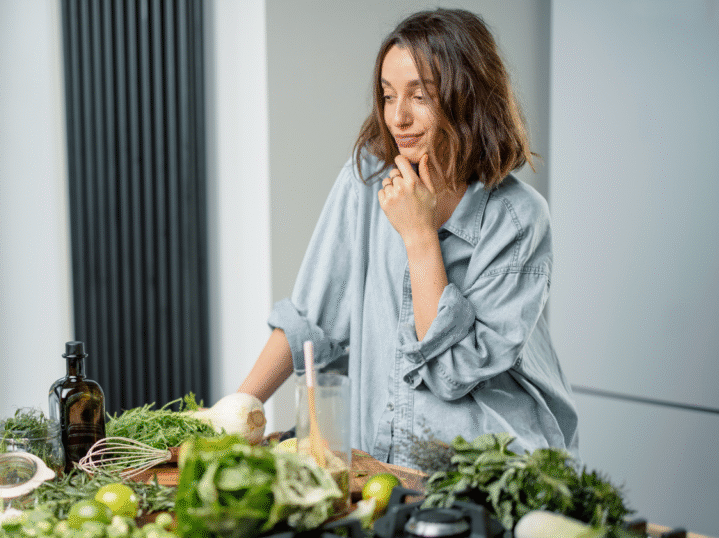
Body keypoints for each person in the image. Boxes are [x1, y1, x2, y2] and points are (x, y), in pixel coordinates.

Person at [237, 8, 578, 468]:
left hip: (486, 467)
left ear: (467, 97)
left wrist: (419, 235)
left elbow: (454, 372)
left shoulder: (518, 218)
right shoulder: (366, 179)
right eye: (387, 95)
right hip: (381, 462)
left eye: (420, 96)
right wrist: (230, 416)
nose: (397, 117)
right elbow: (309, 322)